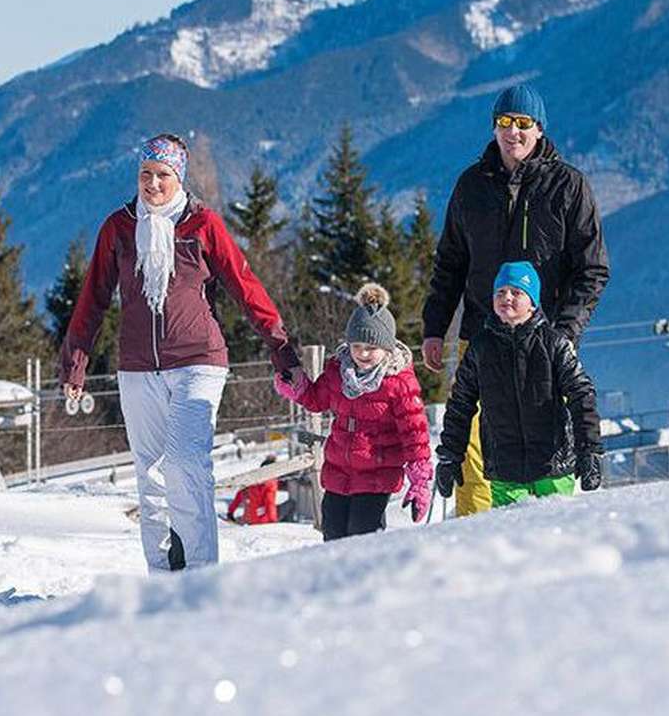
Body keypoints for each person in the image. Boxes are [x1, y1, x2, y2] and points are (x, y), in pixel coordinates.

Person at [61, 133, 301, 572]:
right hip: (136, 367)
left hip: (198, 360)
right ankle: (162, 577)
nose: (152, 184)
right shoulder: (119, 227)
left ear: (179, 178)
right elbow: (92, 297)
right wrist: (75, 361)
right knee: (149, 477)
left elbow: (245, 286)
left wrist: (279, 346)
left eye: (163, 176)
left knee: (186, 464)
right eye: (145, 174)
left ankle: (200, 574)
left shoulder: (202, 224)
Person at [421, 83, 609, 516]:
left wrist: (564, 332)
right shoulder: (471, 187)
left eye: (524, 124)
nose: (514, 132)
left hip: (546, 343)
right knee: (473, 443)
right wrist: (434, 328)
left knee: (544, 443)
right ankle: (477, 536)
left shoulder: (568, 186)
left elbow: (593, 268)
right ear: (494, 127)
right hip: (480, 337)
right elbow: (449, 263)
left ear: (540, 129)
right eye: (505, 122)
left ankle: (549, 532)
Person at [435, 261, 603, 508]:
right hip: (505, 468)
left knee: (557, 535)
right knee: (512, 538)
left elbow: (581, 393)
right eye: (500, 292)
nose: (507, 298)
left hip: (552, 463)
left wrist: (589, 449)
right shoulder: (480, 348)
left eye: (517, 292)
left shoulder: (554, 344)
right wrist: (450, 456)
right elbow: (460, 404)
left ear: (532, 301)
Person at [277, 283, 432, 540]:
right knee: (333, 534)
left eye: (371, 347)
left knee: (362, 535)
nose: (362, 353)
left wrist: (420, 481)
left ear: (387, 348)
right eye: (357, 345)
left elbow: (415, 432)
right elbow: (317, 399)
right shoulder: (339, 371)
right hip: (338, 471)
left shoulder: (398, 382)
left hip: (377, 475)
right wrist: (297, 386)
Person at [227, 456, 280, 525]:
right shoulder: (271, 483)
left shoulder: (251, 481)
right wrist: (273, 520)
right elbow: (270, 503)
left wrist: (230, 512)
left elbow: (239, 496)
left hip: (250, 518)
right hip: (264, 520)